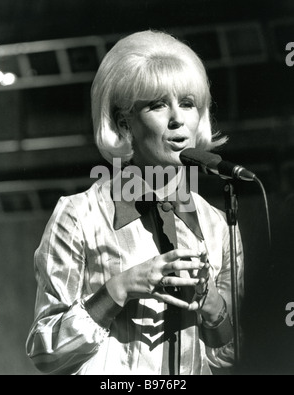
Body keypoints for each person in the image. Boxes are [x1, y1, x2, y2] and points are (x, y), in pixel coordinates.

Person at [26, 30, 244, 375]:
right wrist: (119, 289)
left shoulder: (217, 224)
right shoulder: (80, 214)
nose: (178, 119)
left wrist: (214, 307)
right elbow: (46, 351)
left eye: (187, 103)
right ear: (123, 122)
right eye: (158, 104)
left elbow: (228, 357)